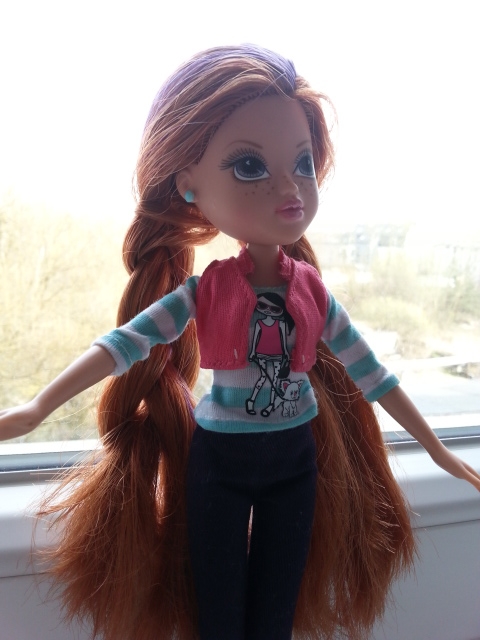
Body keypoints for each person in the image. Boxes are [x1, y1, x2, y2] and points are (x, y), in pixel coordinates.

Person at [0, 45, 479, 640]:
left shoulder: (314, 295)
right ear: (189, 186)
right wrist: (36, 408)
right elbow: (124, 344)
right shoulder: (206, 292)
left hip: (295, 461)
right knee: (219, 614)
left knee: (276, 613)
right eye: (250, 166)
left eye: (302, 163)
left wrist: (437, 450)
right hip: (219, 464)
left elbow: (374, 376)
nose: (290, 186)